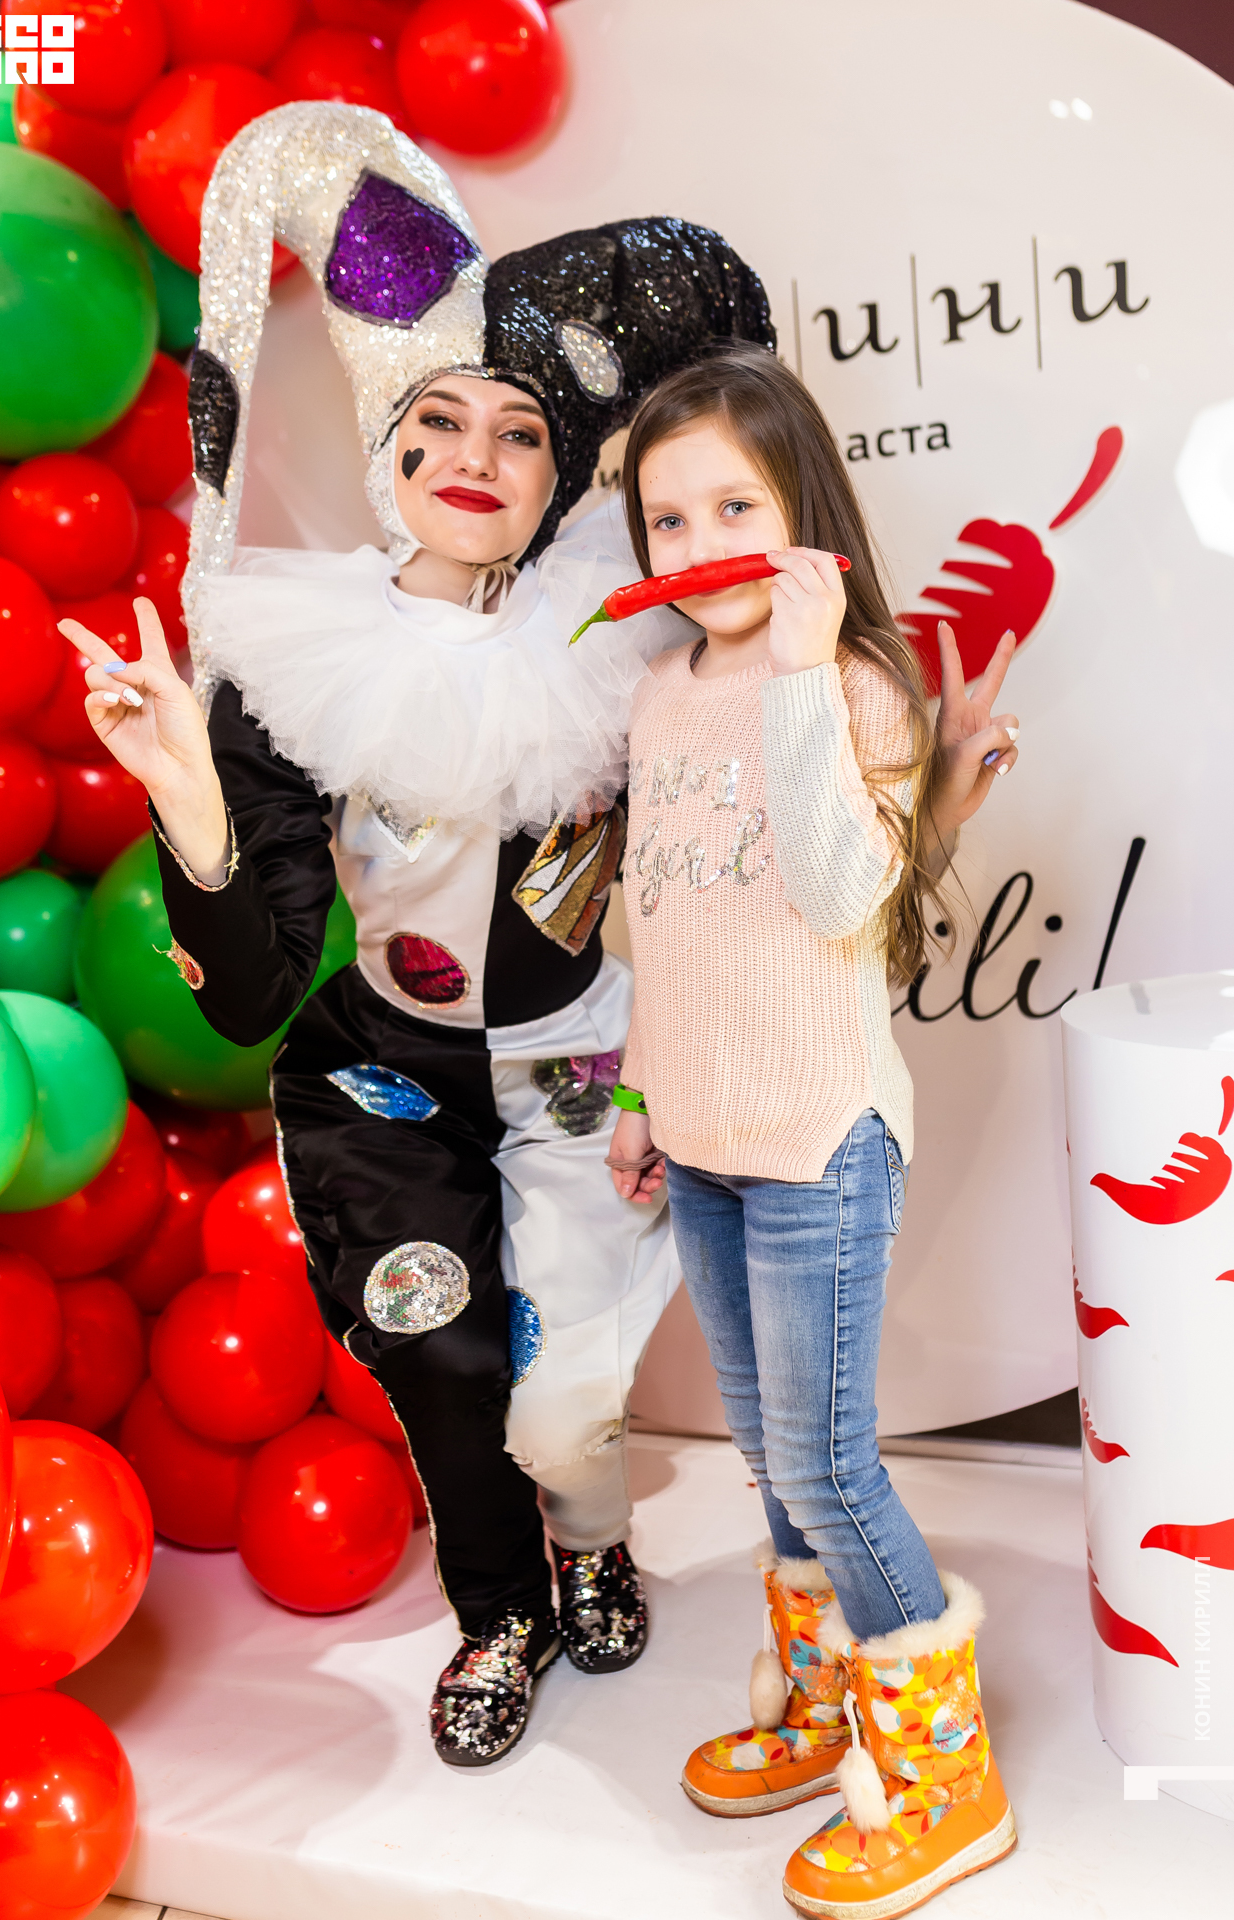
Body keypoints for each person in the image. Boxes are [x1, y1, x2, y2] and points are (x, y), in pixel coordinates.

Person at [64, 101, 1014, 1773]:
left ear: (561, 475)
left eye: (519, 430)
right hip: (389, 1080)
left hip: (589, 1070)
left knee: (573, 1396)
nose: (476, 456)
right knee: (446, 1361)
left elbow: (781, 867)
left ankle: (595, 1553)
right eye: (437, 421)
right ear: (389, 454)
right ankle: (499, 1612)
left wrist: (925, 785)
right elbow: (258, 988)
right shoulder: (296, 667)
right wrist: (188, 794)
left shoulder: (636, 653)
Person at [606, 348, 1018, 1917]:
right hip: (705, 1137)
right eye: (667, 518)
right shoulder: (657, 695)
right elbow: (663, 928)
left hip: (820, 1137)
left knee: (831, 1467)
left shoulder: (857, 690)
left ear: (803, 515)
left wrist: (796, 671)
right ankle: (827, 1704)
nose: (699, 543)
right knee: (770, 1459)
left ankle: (947, 1784)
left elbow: (844, 897)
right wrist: (639, 1098)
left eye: (735, 506)